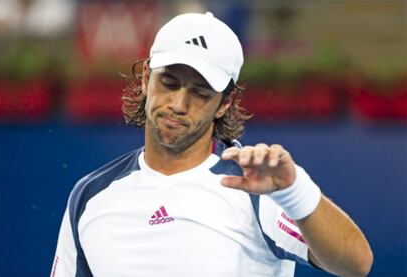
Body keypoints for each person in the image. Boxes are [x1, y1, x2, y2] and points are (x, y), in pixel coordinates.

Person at [51, 12, 373, 277]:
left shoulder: (255, 189)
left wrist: (294, 191)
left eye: (200, 93)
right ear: (146, 79)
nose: (179, 103)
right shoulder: (89, 197)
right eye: (169, 82)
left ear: (224, 103)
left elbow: (356, 264)